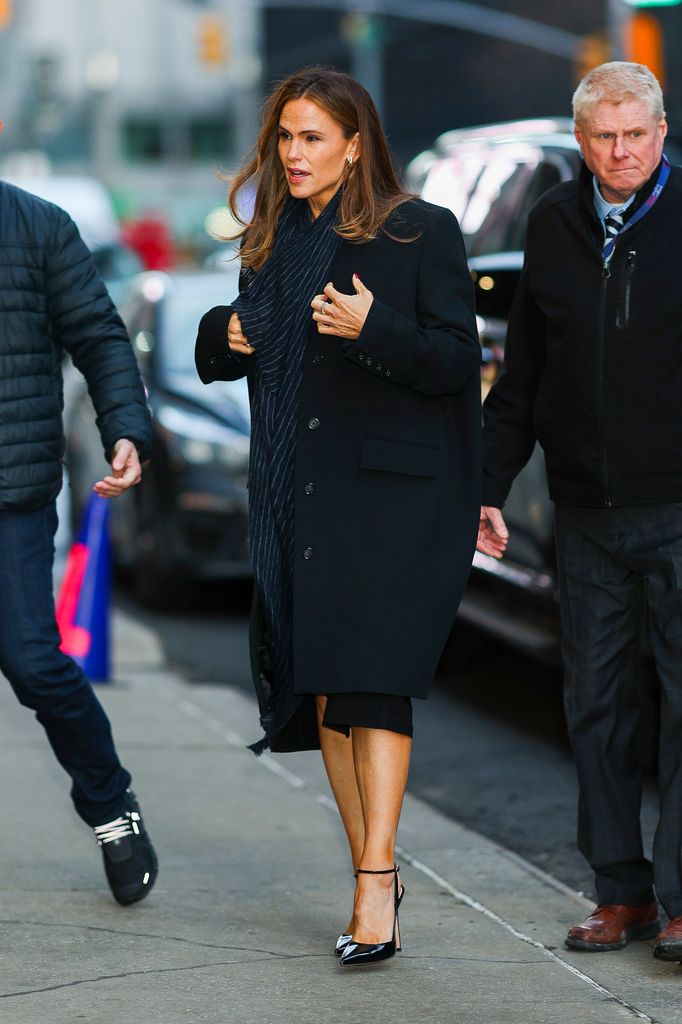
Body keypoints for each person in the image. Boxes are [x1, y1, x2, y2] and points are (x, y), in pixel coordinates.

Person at [196, 66, 480, 966]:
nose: (294, 153)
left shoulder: (419, 231)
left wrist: (375, 329)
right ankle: (373, 868)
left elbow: (454, 361)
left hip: (389, 499)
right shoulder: (272, 239)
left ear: (356, 144)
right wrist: (221, 335)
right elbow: (244, 341)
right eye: (285, 137)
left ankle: (373, 883)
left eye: (312, 137)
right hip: (295, 492)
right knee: (321, 685)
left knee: (371, 684)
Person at [478, 61, 682, 962]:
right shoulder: (553, 224)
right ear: (581, 140)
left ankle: (680, 901)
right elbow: (521, 376)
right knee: (595, 706)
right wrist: (488, 484)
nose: (620, 151)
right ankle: (621, 893)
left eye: (635, 134)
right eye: (604, 136)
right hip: (585, 512)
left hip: (678, 505)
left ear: (661, 134)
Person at [0, 125, 157, 906]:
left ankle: (109, 805)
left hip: (12, 492)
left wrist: (124, 427)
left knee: (31, 660)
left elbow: (99, 334)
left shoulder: (36, 225)